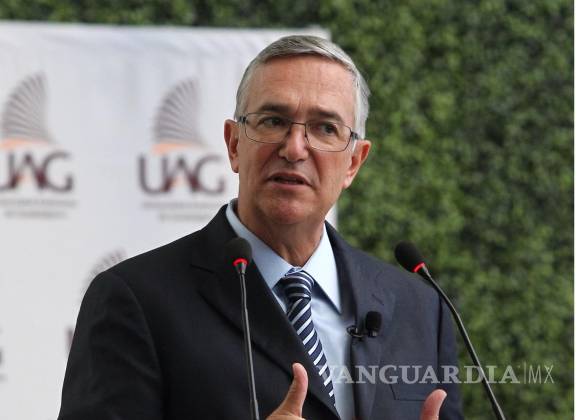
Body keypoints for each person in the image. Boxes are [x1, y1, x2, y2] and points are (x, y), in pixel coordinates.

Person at [58, 35, 463, 420]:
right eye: (273, 121)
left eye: (325, 128)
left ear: (353, 163)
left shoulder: (421, 309)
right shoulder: (135, 299)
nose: (295, 148)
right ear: (234, 144)